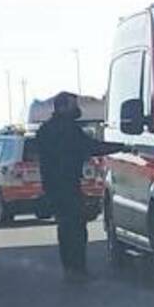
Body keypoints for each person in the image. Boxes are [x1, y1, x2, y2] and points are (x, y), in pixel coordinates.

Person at [36, 91, 126, 281]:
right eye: (72, 105)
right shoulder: (67, 130)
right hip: (66, 184)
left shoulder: (45, 130)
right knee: (76, 228)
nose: (76, 109)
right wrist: (122, 147)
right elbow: (91, 147)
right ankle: (77, 268)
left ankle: (70, 268)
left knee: (65, 227)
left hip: (54, 185)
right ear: (61, 107)